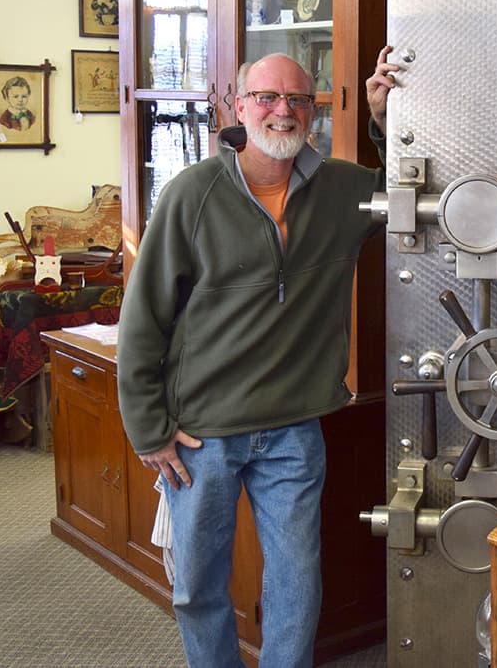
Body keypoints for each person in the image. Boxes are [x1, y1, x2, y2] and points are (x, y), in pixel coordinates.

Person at [118, 47, 401, 667]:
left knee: (297, 585)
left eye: (298, 99)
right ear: (240, 108)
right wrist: (148, 428)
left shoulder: (343, 191)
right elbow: (142, 321)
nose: (283, 111)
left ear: (314, 112)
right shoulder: (192, 194)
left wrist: (383, 118)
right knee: (197, 587)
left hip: (294, 429)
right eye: (268, 98)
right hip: (201, 435)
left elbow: (405, 194)